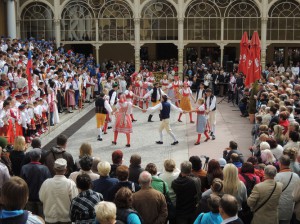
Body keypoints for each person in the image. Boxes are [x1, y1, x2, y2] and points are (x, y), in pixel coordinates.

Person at [39, 158, 78, 224]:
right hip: (66, 219)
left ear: (54, 169)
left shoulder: (46, 183)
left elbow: (41, 198)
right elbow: (75, 200)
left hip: (50, 219)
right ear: (65, 170)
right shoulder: (70, 183)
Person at [20, 148, 51, 217]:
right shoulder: (45, 168)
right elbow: (48, 182)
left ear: (30, 157)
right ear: (39, 157)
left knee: (30, 217)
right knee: (41, 218)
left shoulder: (24, 168)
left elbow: (21, 183)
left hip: (29, 198)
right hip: (41, 198)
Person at [275, 155, 300, 224]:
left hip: (278, 207)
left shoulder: (277, 176)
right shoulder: (296, 176)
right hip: (290, 207)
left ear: (280, 163)